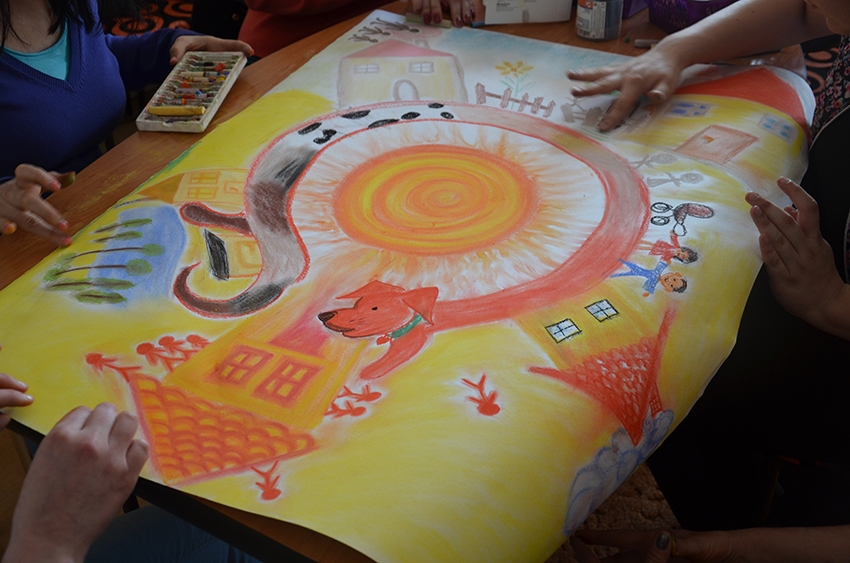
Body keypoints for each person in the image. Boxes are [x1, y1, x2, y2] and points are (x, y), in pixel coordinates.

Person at [567, 0, 850, 532]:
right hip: (808, 257)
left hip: (831, 336)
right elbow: (803, 10)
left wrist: (831, 302)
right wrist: (678, 49)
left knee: (663, 372)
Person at [0, 0, 253, 247]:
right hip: (26, 246)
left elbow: (96, 55)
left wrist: (169, 47)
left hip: (103, 213)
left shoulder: (75, 5)